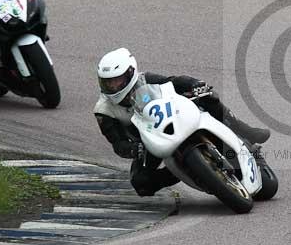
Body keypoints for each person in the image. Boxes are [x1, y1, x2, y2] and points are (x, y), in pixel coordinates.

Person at [94, 48, 271, 197]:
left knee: (209, 97)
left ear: (130, 73)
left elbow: (174, 81)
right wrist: (133, 149)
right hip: (149, 143)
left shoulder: (145, 80)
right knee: (141, 184)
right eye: (108, 83)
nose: (113, 87)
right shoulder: (104, 110)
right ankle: (183, 172)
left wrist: (195, 84)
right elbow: (117, 144)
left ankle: (243, 132)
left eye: (117, 81)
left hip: (175, 119)